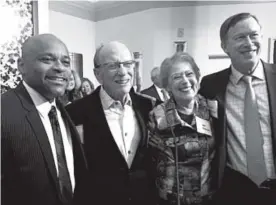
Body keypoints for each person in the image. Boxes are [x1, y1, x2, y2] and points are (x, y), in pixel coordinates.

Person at [66, 41, 158, 205]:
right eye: (113, 66)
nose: (123, 72)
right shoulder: (75, 112)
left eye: (127, 64)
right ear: (97, 74)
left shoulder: (148, 107)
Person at [1, 34, 88, 205]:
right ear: (22, 66)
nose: (60, 68)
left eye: (65, 62)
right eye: (47, 59)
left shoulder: (62, 111)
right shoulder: (4, 112)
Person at [199, 13, 276, 205]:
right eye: (240, 37)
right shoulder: (210, 85)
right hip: (235, 190)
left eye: (254, 35)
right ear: (225, 46)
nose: (249, 43)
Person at [148, 52, 216, 205]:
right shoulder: (157, 116)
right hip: (169, 200)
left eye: (189, 74)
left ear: (197, 77)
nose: (185, 81)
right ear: (167, 86)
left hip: (208, 199)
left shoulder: (211, 109)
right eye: (177, 77)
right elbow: (149, 160)